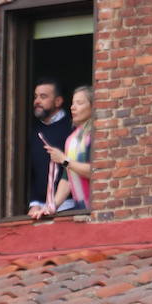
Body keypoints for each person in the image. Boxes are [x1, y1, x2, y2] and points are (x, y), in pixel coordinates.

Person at [42, 85, 94, 215]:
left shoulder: (95, 134)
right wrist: (52, 206)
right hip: (80, 209)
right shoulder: (71, 139)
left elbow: (95, 171)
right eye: (72, 103)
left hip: (96, 209)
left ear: (93, 107)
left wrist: (64, 160)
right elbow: (67, 179)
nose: (73, 107)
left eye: (79, 103)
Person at [27, 78, 71, 219]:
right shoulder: (31, 130)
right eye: (35, 97)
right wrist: (34, 203)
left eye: (43, 97)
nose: (37, 101)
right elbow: (30, 172)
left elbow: (72, 170)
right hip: (38, 208)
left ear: (58, 101)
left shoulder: (72, 127)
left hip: (69, 206)